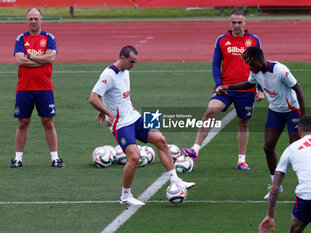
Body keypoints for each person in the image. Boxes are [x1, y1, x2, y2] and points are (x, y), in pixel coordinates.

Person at [89, 45, 195, 205]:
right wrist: (108, 113)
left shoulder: (126, 71)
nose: (133, 65)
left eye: (135, 62)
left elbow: (112, 97)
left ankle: (176, 180)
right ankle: (125, 196)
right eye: (132, 62)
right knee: (134, 157)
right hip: (120, 124)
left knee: (161, 140)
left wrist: (103, 109)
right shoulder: (108, 74)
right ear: (122, 58)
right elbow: (93, 97)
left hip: (134, 116)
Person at [217, 46, 306, 199]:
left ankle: (305, 185)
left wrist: (303, 117)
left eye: (251, 64)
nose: (250, 67)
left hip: (292, 110)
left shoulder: (280, 70)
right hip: (275, 111)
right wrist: (228, 87)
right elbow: (249, 84)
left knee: (295, 150)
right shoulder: (256, 71)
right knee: (268, 146)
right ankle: (276, 185)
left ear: (260, 60)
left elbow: (298, 88)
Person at [182, 9, 264, 171]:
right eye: (233, 22)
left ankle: (241, 160)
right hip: (226, 88)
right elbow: (215, 64)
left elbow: (260, 65)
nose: (236, 26)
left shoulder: (254, 40)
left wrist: (260, 89)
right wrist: (218, 83)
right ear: (230, 23)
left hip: (247, 89)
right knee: (210, 111)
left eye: (239, 22)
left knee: (243, 123)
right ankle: (195, 149)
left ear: (245, 23)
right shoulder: (221, 40)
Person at [9, 8, 64, 168]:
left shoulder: (49, 38)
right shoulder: (21, 38)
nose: (33, 21)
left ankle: (55, 158)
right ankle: (17, 159)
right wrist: (42, 59)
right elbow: (20, 61)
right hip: (24, 88)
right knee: (22, 123)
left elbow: (51, 57)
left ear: (41, 19)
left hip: (44, 88)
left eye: (36, 18)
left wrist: (30, 56)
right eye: (30, 19)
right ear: (26, 20)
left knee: (48, 122)